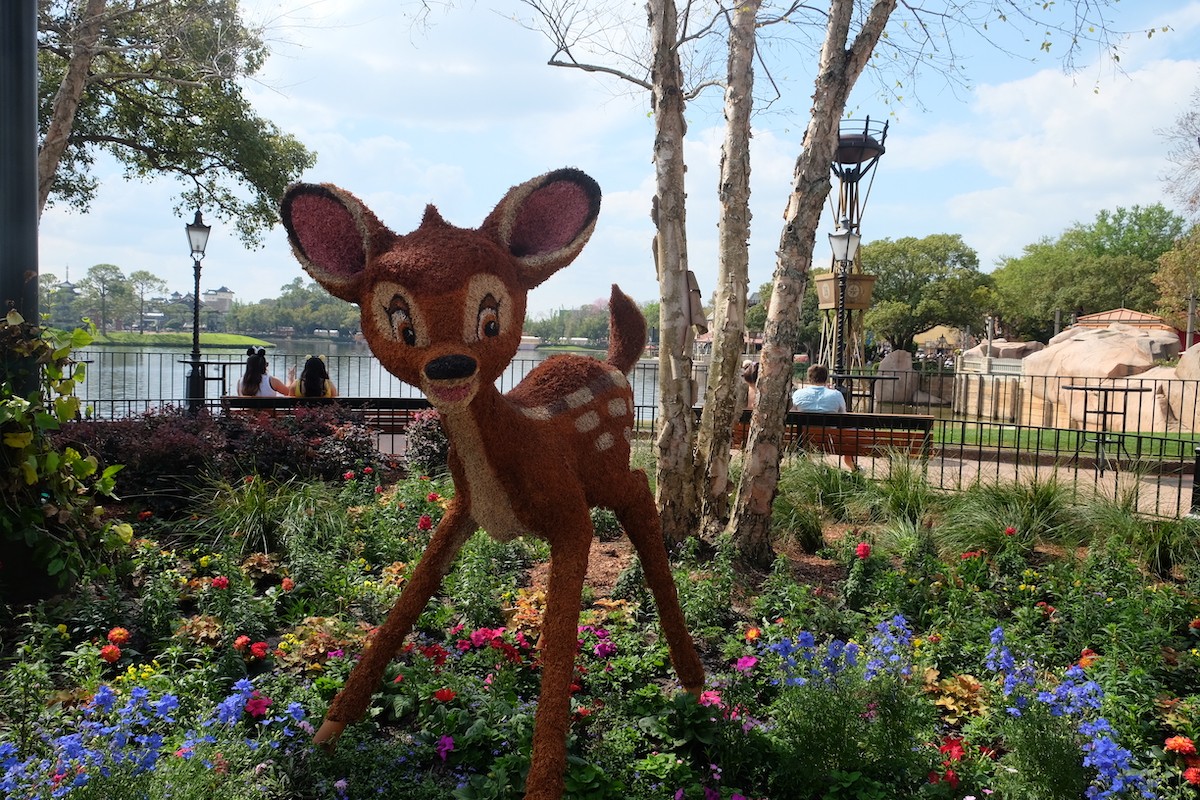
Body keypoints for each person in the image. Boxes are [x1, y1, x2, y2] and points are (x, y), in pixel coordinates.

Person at [791, 363, 857, 471]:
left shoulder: (798, 394)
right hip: (831, 441)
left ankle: (807, 467)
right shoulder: (836, 395)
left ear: (809, 378)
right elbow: (843, 416)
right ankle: (853, 468)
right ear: (826, 378)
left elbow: (792, 414)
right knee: (849, 436)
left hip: (803, 439)